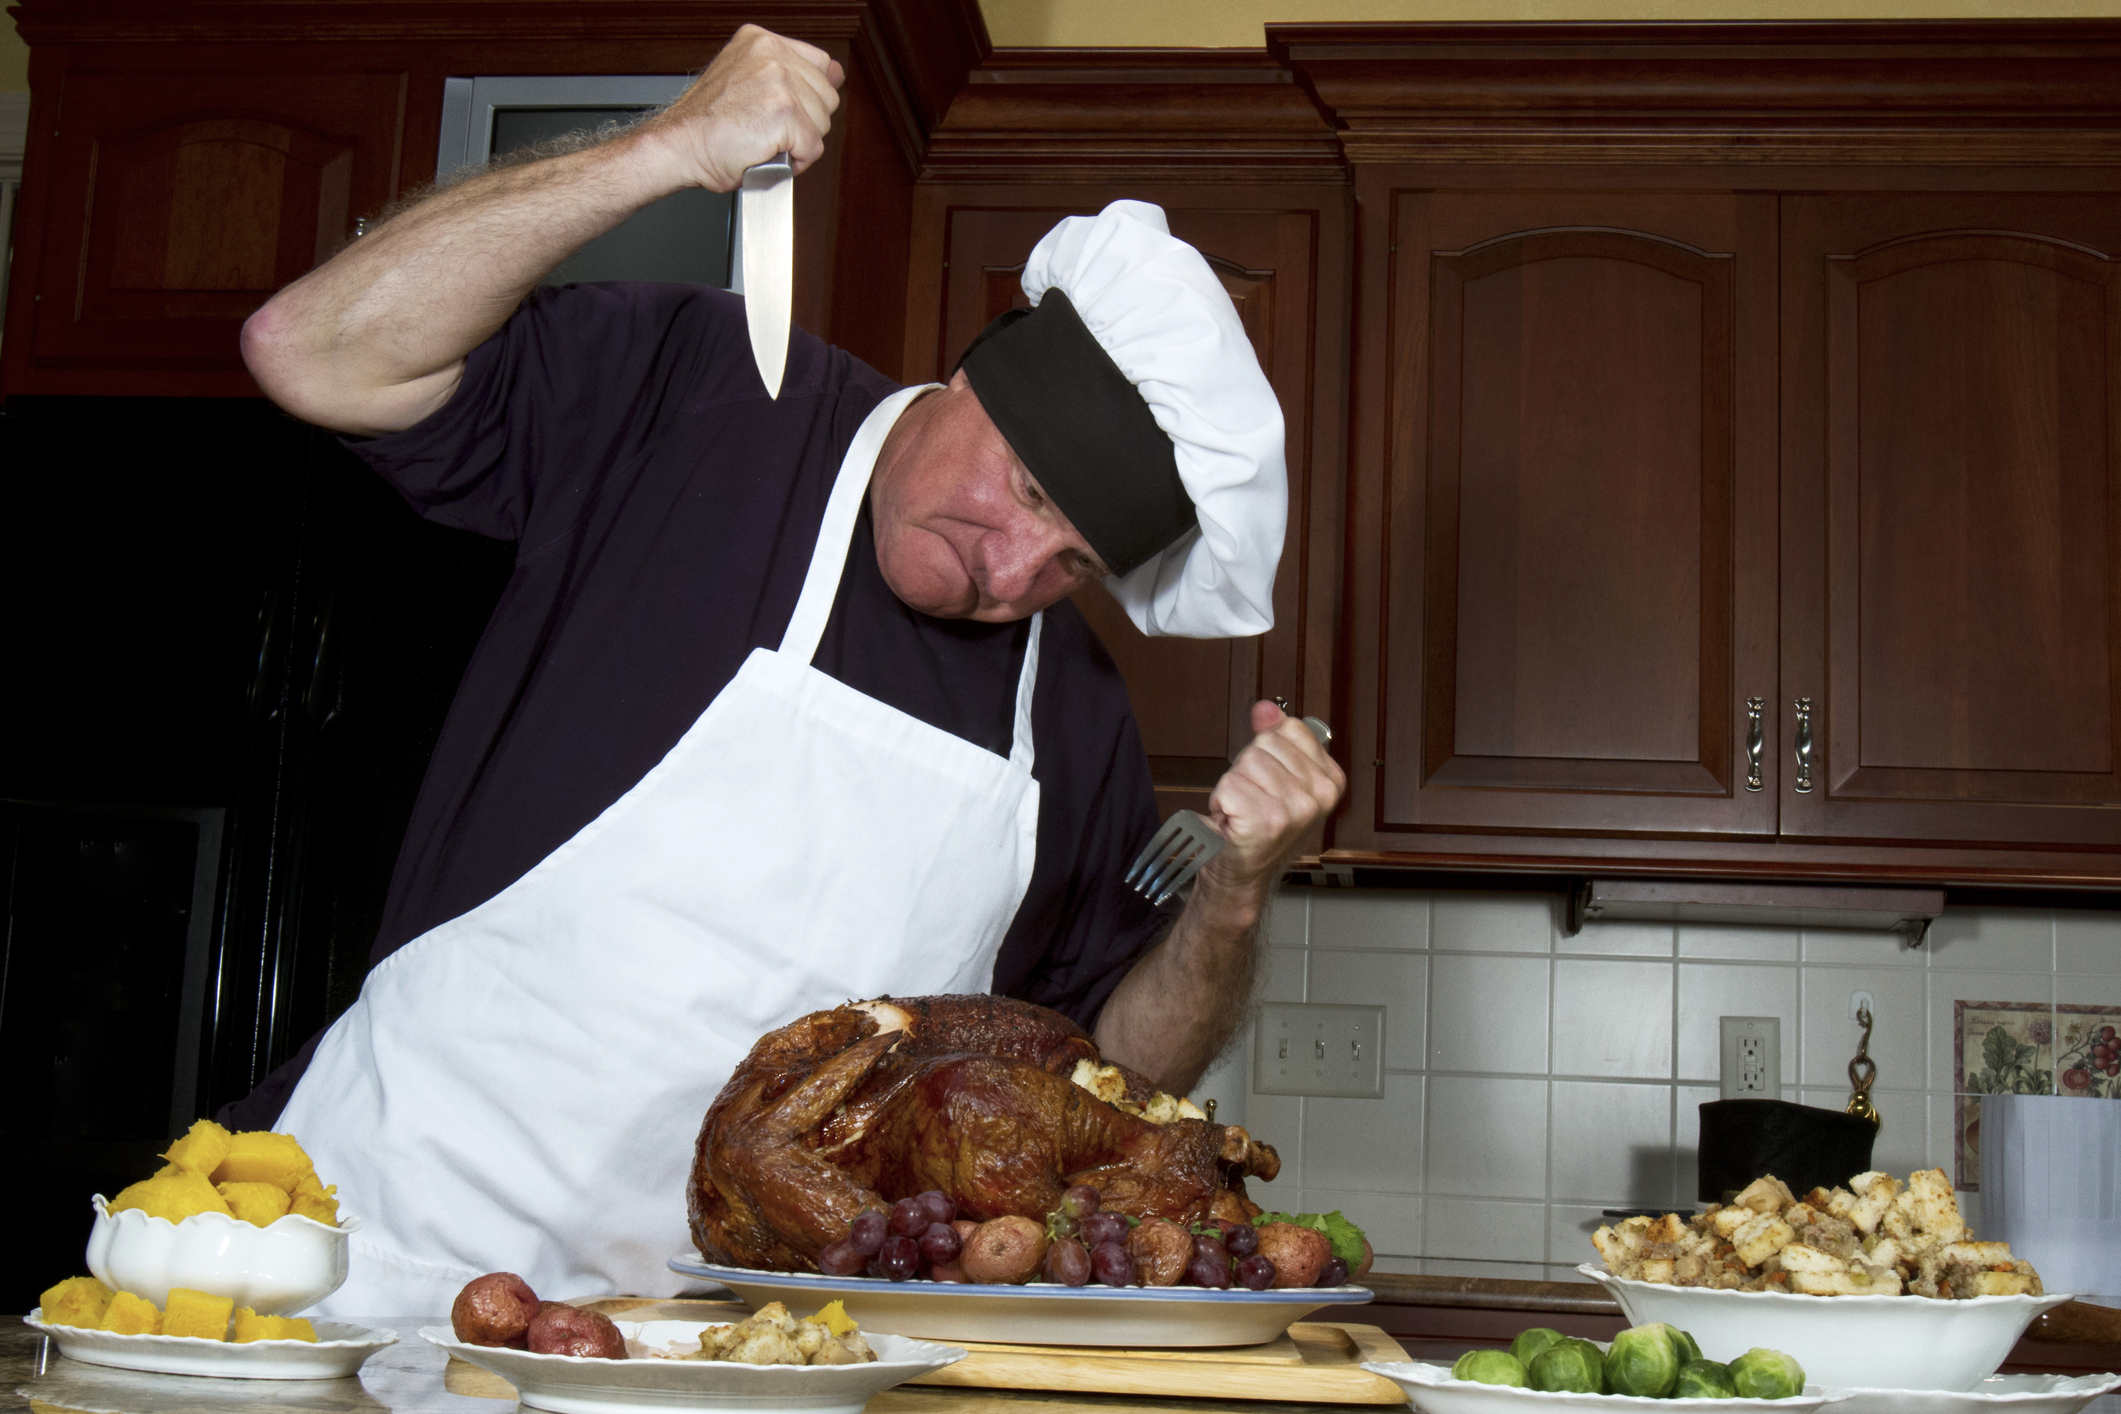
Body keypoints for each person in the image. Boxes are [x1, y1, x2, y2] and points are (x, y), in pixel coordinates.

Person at [236, 24, 1344, 1314]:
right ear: (975, 376)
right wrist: (661, 151)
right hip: (384, 1248)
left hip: (757, 1347)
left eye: (1075, 562)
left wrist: (1236, 897)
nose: (1012, 570)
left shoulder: (1077, 715)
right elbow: (312, 351)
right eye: (1024, 490)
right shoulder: (706, 397)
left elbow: (1108, 1075)